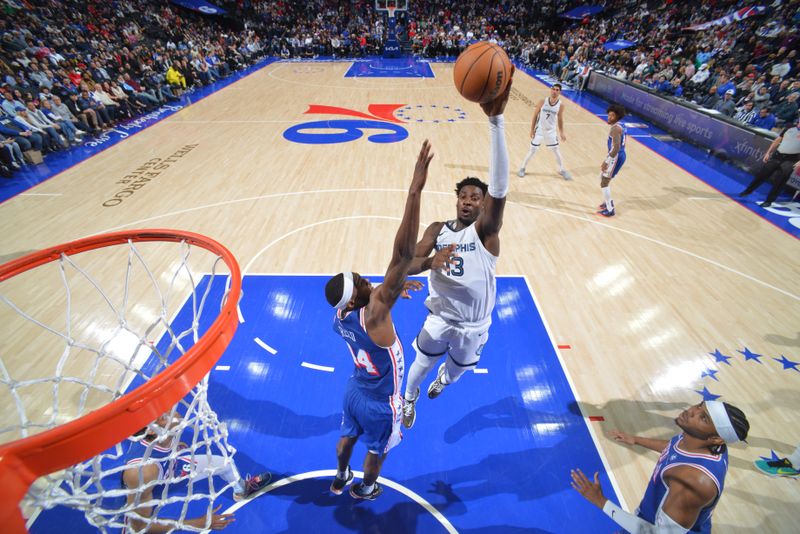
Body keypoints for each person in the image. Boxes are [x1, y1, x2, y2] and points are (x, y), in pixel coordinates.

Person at [401, 69, 514, 429]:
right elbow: (403, 265)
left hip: (476, 325)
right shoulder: (437, 230)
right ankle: (408, 398)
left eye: (475, 198)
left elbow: (500, 190)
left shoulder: (486, 235)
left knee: (456, 372)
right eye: (463, 196)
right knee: (420, 362)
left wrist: (496, 123)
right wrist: (430, 260)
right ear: (456, 201)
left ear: (483, 206)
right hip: (441, 318)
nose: (468, 201)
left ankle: (442, 383)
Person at [324, 139, 434, 500]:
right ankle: (367, 487)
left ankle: (340, 475)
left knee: (346, 438)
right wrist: (414, 190)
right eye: (359, 281)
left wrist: (424, 267)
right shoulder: (374, 311)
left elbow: (391, 280)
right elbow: (402, 257)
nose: (363, 278)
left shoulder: (341, 315)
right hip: (380, 400)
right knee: (377, 450)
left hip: (354, 390)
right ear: (358, 296)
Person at [572, 401, 750, 533]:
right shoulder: (700, 439)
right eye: (699, 406)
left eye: (703, 417)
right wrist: (636, 440)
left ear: (716, 438)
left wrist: (600, 501)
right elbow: (674, 447)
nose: (691, 412)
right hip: (654, 518)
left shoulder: (692, 483)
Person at [122, 410, 272, 532]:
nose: (172, 410)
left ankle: (242, 489)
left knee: (226, 464)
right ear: (152, 431)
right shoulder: (141, 472)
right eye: (163, 414)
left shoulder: (165, 430)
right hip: (151, 494)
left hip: (172, 467)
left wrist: (175, 448)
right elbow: (139, 528)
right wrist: (197, 523)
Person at [739, 116, 800, 207]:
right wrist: (768, 152)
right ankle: (748, 190)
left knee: (780, 181)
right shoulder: (789, 127)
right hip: (777, 155)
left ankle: (769, 201)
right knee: (762, 174)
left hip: (791, 159)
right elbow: (777, 141)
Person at [517, 82, 571, 180]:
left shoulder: (561, 105)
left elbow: (560, 119)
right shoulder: (542, 101)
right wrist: (531, 129)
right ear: (551, 90)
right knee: (532, 150)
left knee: (556, 151)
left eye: (557, 90)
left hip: (551, 131)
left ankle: (562, 170)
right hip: (540, 130)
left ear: (560, 92)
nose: (554, 91)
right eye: (553, 89)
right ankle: (522, 168)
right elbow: (535, 115)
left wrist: (562, 132)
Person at [597, 103, 627, 217]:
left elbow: (616, 147)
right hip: (618, 155)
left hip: (616, 156)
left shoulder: (615, 128)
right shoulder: (622, 125)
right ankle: (607, 201)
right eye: (609, 115)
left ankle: (610, 209)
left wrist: (606, 161)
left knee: (604, 181)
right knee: (603, 177)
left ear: (617, 116)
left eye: (612, 116)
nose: (609, 117)